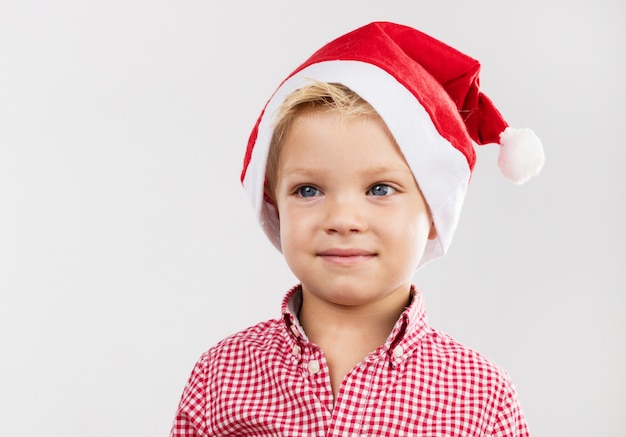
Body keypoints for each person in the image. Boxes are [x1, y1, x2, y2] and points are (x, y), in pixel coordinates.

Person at [170, 21, 544, 436]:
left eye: (380, 189)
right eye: (308, 190)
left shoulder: (481, 397)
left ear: (434, 213)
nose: (343, 220)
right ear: (274, 204)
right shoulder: (221, 378)